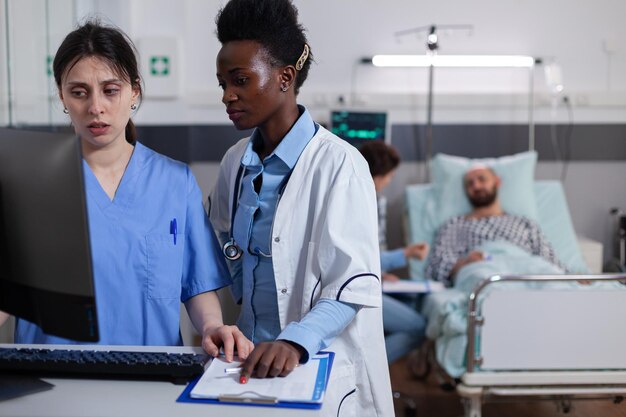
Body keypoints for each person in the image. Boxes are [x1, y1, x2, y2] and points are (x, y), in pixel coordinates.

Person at [9, 21, 252, 361]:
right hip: (51, 377)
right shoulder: (31, 187)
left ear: (134, 91)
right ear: (62, 95)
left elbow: (197, 285)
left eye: (110, 90)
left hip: (149, 375)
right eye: (79, 92)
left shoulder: (174, 182)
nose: (96, 107)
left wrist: (213, 327)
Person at [208, 1, 394, 415]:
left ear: (284, 77)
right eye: (222, 82)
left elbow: (352, 287)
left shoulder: (340, 165)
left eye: (240, 80)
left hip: (315, 363)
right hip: (248, 365)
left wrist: (295, 341)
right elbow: (223, 241)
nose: (227, 95)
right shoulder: (234, 163)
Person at [426, 164, 566, 286]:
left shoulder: (525, 223)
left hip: (527, 269)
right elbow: (435, 269)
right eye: (470, 183)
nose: (476, 186)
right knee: (489, 290)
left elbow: (549, 260)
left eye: (482, 179)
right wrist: (465, 262)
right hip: (481, 271)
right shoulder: (454, 225)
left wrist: (570, 278)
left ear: (497, 182)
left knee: (553, 282)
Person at [359, 141, 428, 364]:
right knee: (417, 327)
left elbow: (372, 254)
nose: (389, 182)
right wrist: (406, 254)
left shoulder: (376, 201)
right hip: (356, 286)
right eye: (389, 176)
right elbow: (364, 258)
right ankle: (366, 370)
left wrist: (379, 273)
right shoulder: (359, 201)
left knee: (414, 303)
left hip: (369, 279)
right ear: (378, 175)